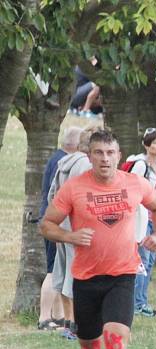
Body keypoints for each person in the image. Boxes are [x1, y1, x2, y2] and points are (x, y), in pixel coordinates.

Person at [39, 129, 156, 349]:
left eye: (111, 153)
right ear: (90, 156)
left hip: (122, 276)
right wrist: (69, 237)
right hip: (85, 279)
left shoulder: (133, 183)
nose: (105, 159)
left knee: (116, 342)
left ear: (119, 155)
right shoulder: (75, 187)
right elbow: (47, 223)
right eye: (98, 153)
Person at [48, 125, 100, 341]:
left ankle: (69, 323)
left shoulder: (63, 163)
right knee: (76, 276)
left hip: (61, 228)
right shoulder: (87, 166)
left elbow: (52, 194)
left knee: (62, 274)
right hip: (78, 230)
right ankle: (76, 325)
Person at [38, 127, 81, 330]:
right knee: (53, 271)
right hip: (56, 222)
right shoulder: (66, 163)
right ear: (77, 145)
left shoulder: (57, 158)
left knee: (57, 270)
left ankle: (57, 316)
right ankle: (45, 317)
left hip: (52, 220)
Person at [129, 128, 156, 318]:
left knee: (150, 261)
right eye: (154, 143)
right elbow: (133, 191)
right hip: (143, 218)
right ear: (146, 145)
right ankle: (136, 303)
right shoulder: (140, 165)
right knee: (142, 261)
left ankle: (142, 301)